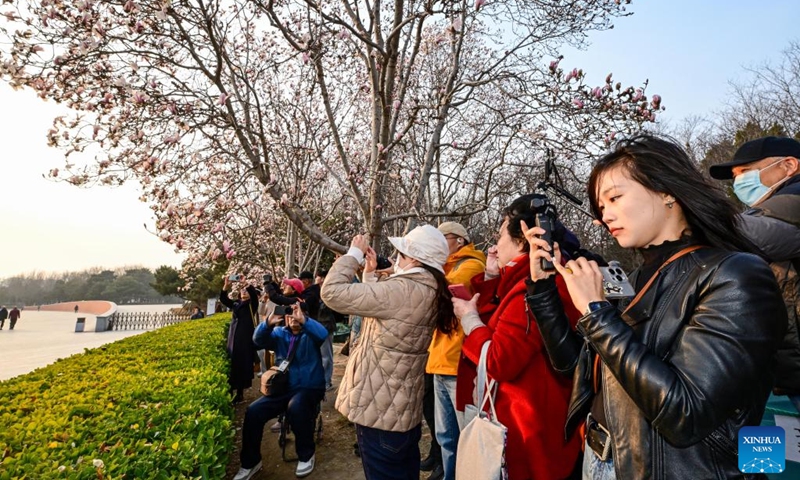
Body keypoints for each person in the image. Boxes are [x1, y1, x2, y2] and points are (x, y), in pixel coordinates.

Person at [524, 133, 786, 479]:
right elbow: (573, 367)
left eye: (615, 198)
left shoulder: (736, 275)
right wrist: (543, 289)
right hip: (604, 457)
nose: (605, 216)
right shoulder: (633, 278)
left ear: (667, 193)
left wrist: (597, 312)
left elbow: (686, 413)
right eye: (601, 207)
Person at [451, 196, 583, 480]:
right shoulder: (524, 281)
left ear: (523, 240)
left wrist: (469, 320)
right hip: (530, 422)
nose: (495, 245)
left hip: (528, 429)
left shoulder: (534, 288)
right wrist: (490, 276)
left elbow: (501, 359)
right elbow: (500, 317)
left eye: (500, 236)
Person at [320, 225, 452, 480]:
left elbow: (332, 292)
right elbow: (385, 318)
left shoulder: (402, 290)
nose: (396, 258)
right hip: (399, 409)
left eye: (401, 253)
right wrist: (369, 276)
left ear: (414, 258)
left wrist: (353, 255)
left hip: (379, 413)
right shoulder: (430, 288)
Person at [709, 136, 800, 412]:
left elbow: (756, 234)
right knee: (765, 452)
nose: (738, 182)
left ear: (789, 166)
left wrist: (686, 213)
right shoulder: (764, 210)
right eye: (734, 177)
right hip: (782, 374)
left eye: (746, 172)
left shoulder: (792, 201)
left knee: (764, 452)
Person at [420, 222, 486, 480]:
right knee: (445, 436)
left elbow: (440, 287)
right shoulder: (445, 267)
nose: (437, 244)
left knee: (465, 438)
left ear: (459, 240)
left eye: (442, 238)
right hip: (439, 360)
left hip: (458, 363)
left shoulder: (471, 264)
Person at [234, 303, 327, 480]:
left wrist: (304, 321)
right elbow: (257, 341)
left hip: (309, 387)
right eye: (290, 314)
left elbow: (322, 334)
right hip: (284, 388)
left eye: (297, 314)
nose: (293, 318)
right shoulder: (279, 334)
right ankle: (250, 462)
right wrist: (267, 323)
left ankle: (306, 455)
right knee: (253, 412)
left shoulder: (311, 333)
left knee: (297, 407)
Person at [219, 277, 260, 404]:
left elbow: (254, 296)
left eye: (245, 291)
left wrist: (247, 284)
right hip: (234, 337)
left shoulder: (251, 305)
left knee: (242, 366)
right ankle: (231, 391)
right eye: (242, 290)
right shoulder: (236, 304)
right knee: (233, 366)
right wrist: (225, 287)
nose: (244, 292)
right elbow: (224, 300)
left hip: (244, 339)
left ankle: (240, 393)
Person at [311, 269, 337, 391]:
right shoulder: (314, 291)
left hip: (326, 326)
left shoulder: (329, 291)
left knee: (326, 356)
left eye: (317, 277)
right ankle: (321, 380)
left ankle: (326, 382)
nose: (315, 279)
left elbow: (325, 309)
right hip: (316, 325)